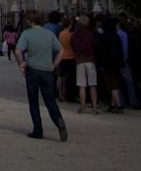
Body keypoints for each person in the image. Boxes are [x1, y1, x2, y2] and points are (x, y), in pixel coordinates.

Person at [16, 9, 68, 141]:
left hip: (32, 71)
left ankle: (38, 130)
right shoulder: (49, 34)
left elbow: (17, 51)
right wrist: (54, 65)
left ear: (29, 21)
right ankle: (59, 120)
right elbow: (61, 51)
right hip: (47, 71)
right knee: (50, 100)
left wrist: (21, 63)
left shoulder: (27, 33)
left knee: (33, 102)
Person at [72, 15, 99, 114]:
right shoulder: (90, 33)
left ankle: (83, 107)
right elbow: (95, 45)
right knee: (92, 84)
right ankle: (94, 108)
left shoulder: (75, 34)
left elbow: (74, 46)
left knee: (81, 85)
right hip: (90, 59)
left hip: (80, 59)